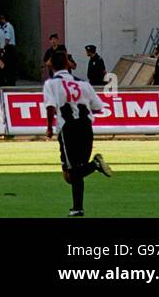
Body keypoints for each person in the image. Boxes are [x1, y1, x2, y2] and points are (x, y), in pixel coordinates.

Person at [44, 49, 112, 217]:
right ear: (68, 64)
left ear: (51, 65)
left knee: (71, 174)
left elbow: (50, 106)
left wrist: (49, 127)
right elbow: (97, 107)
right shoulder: (83, 84)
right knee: (76, 172)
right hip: (86, 128)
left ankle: (95, 164)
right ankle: (78, 208)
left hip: (68, 129)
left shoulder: (51, 84)